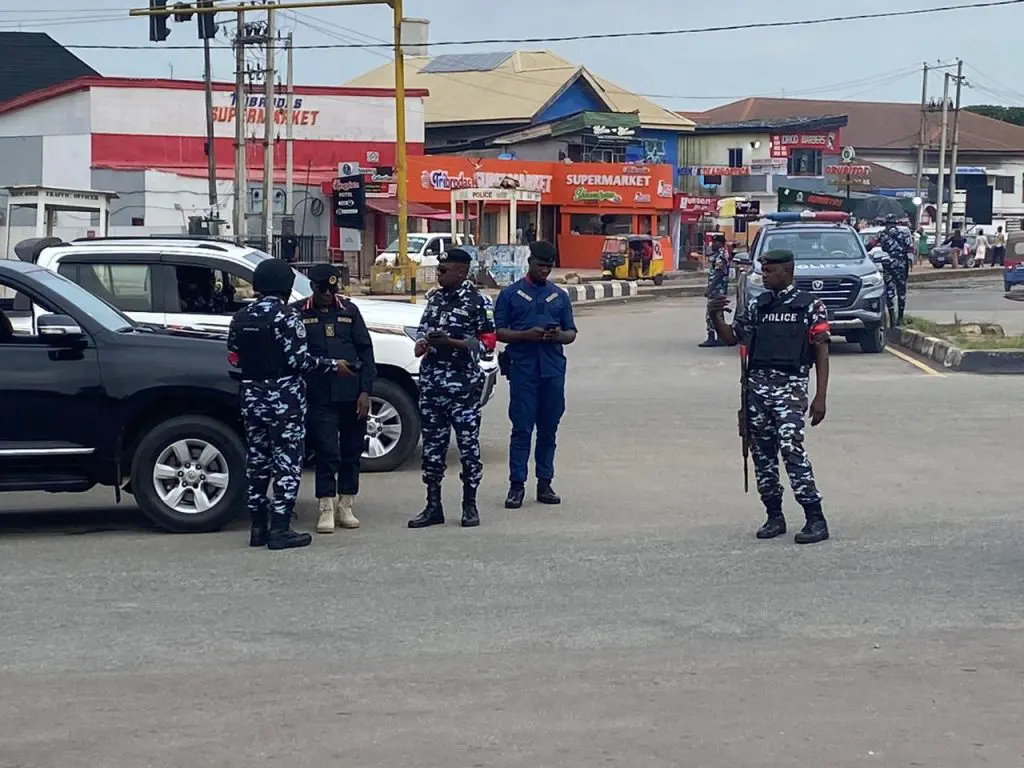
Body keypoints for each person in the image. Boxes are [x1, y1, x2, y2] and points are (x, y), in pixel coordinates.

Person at [228, 258, 352, 550]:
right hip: (284, 401)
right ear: (285, 286)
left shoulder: (242, 316)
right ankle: (280, 529)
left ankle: (258, 528)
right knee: (286, 464)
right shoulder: (287, 317)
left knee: (257, 463)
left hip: (251, 398)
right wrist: (334, 365)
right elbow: (300, 361)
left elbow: (233, 356)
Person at [709, 249, 831, 545]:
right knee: (762, 453)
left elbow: (821, 350)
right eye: (762, 271)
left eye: (769, 271)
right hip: (756, 389)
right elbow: (732, 338)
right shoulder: (758, 305)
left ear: (787, 271)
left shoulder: (810, 306)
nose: (764, 276)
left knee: (791, 448)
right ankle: (774, 515)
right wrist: (714, 314)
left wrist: (820, 397)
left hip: (790, 388)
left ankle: (815, 517)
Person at [408, 247, 496, 529]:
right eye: (438, 269)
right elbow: (422, 329)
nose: (439, 274)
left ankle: (469, 505)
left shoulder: (478, 302)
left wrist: (454, 344)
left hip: (462, 389)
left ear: (461, 271)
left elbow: (487, 344)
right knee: (432, 451)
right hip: (432, 387)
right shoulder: (434, 299)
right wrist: (423, 342)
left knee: (469, 451)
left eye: (444, 270)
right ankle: (433, 506)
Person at [292, 263, 375, 535]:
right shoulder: (299, 313)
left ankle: (346, 504)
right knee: (327, 451)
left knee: (351, 451)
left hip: (351, 394)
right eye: (323, 289)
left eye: (332, 288)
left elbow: (366, 353)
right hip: (319, 394)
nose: (328, 294)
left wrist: (366, 391)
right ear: (313, 288)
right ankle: (326, 506)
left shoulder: (349, 311)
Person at [494, 241, 578, 510]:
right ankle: (516, 485)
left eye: (548, 266)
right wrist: (526, 336)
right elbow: (499, 332)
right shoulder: (511, 295)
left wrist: (557, 336)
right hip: (523, 371)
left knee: (549, 430)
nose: (544, 270)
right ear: (529, 262)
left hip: (552, 371)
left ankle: (545, 483)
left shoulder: (559, 296)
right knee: (521, 430)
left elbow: (571, 333)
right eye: (540, 265)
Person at [879, 215, 913, 325]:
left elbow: (869, 245)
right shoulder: (903, 234)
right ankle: (900, 318)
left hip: (888, 265)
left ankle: (892, 317)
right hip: (901, 265)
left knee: (889, 291)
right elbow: (911, 248)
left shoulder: (881, 234)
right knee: (901, 291)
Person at [700, 233, 730, 347]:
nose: (713, 244)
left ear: (721, 244)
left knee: (712, 312)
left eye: (715, 243)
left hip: (717, 289)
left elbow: (719, 273)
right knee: (718, 312)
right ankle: (721, 337)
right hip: (718, 289)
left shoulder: (721, 255)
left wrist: (710, 289)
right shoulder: (719, 253)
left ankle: (712, 337)